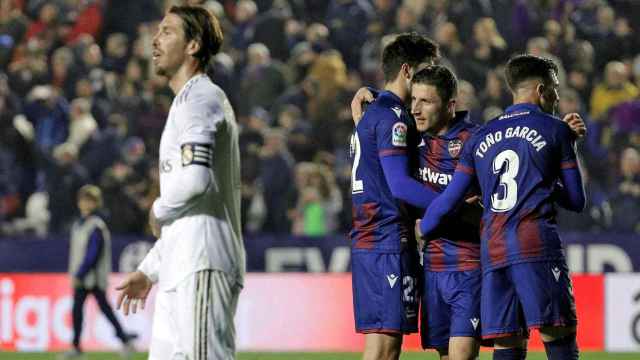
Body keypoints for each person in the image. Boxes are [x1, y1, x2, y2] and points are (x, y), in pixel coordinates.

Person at [419, 54, 586, 360]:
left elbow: (448, 200)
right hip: (535, 245)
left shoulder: (481, 136)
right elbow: (576, 200)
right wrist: (566, 149)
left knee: (507, 343)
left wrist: (425, 227)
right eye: (555, 88)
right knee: (558, 334)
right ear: (541, 89)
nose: (558, 95)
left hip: (493, 252)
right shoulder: (554, 129)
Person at [114, 5, 245, 360]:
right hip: (181, 264)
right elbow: (189, 207)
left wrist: (157, 208)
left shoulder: (201, 99)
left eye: (167, 31)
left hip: (201, 262)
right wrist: (151, 268)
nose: (155, 41)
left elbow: (196, 181)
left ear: (193, 45)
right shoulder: (185, 103)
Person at [349, 32, 439, 360]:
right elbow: (400, 186)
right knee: (386, 349)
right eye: (427, 71)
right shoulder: (392, 119)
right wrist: (450, 201)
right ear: (407, 71)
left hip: (371, 238)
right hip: (386, 239)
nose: (432, 79)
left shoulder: (374, 114)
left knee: (380, 344)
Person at [64, 185, 136, 359]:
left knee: (102, 309)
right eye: (83, 199)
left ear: (96, 203)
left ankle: (124, 341)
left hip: (93, 278)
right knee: (81, 311)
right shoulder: (78, 224)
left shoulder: (96, 225)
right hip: (82, 278)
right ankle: (78, 347)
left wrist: (79, 273)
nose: (85, 203)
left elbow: (93, 254)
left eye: (89, 200)